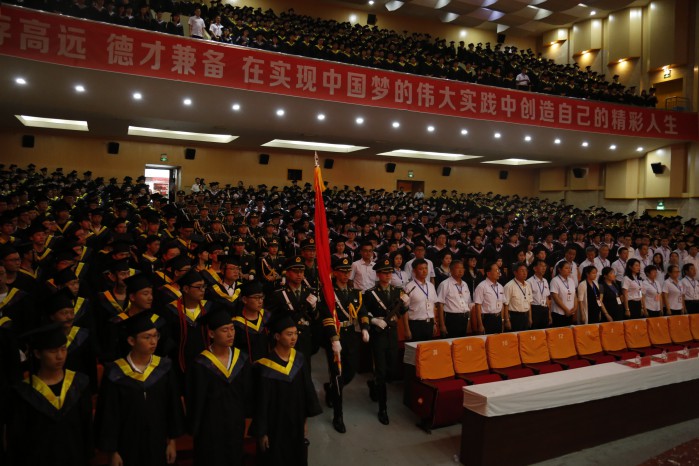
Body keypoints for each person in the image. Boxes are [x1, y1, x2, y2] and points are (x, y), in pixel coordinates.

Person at [95, 311, 185, 466]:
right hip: (127, 447)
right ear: (131, 340)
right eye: (147, 337)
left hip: (158, 443)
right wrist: (113, 452)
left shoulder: (164, 368)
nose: (153, 342)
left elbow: (172, 407)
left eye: (155, 336)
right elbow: (109, 415)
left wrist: (172, 442)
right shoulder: (115, 373)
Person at [6, 324, 92, 466]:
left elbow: (86, 429)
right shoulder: (23, 393)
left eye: (63, 349)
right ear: (38, 354)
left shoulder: (79, 384)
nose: (60, 356)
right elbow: (16, 440)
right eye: (53, 351)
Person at [187, 306, 252, 466]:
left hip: (235, 424)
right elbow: (195, 400)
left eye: (232, 329)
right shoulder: (201, 364)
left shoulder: (241, 359)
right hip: (209, 427)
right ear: (211, 334)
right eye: (224, 330)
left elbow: (247, 393)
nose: (230, 334)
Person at [253, 315, 322, 466]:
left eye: (296, 333)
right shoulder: (265, 367)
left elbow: (307, 391)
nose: (294, 338)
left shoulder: (299, 359)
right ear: (277, 336)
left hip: (296, 422)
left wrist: (304, 421)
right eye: (289, 334)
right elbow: (261, 403)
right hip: (275, 425)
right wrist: (262, 432)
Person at [319, 256, 369, 433]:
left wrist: (365, 328)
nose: (346, 274)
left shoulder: (355, 293)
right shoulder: (329, 293)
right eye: (342, 271)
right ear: (335, 273)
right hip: (335, 336)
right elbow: (326, 316)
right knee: (338, 375)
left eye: (348, 271)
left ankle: (331, 388)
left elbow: (362, 312)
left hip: (351, 336)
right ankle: (338, 416)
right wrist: (334, 338)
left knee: (351, 371)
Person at [363, 257, 407, 425]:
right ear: (378, 274)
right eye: (384, 273)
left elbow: (400, 312)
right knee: (381, 371)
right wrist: (374, 321)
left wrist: (404, 307)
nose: (388, 275)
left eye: (390, 272)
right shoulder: (370, 293)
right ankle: (383, 408)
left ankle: (374, 383)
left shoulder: (397, 291)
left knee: (392, 368)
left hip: (392, 333)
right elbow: (363, 313)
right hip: (378, 334)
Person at [265, 256, 318, 367]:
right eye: (295, 272)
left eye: (301, 271)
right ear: (287, 273)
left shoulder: (311, 292)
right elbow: (271, 319)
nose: (299, 275)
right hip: (286, 340)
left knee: (305, 368)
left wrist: (313, 309)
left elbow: (317, 318)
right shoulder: (279, 294)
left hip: (305, 338)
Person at [232, 280, 270, 362]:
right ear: (244, 300)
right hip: (246, 366)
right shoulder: (236, 324)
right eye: (256, 297)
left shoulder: (267, 317)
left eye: (261, 297)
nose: (260, 301)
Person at [436, 259, 473, 338]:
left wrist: (469, 319)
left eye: (462, 268)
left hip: (464, 318)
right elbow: (440, 305)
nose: (460, 270)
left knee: (462, 342)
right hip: (452, 318)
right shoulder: (445, 284)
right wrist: (442, 325)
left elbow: (468, 303)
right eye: (457, 268)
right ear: (451, 270)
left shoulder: (465, 284)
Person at [403, 259, 437, 341]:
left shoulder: (431, 286)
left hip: (429, 323)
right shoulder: (408, 287)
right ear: (414, 271)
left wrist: (434, 323)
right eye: (421, 269)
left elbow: (433, 305)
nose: (424, 271)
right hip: (416, 324)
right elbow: (404, 310)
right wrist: (407, 329)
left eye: (426, 268)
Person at [473, 261, 506, 334]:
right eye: (496, 270)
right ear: (488, 273)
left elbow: (502, 304)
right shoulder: (481, 286)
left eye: (498, 270)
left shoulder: (500, 286)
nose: (498, 272)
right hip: (487, 318)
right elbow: (477, 306)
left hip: (498, 318)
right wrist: (480, 324)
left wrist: (502, 320)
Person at [503, 262, 532, 331]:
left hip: (525, 316)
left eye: (526, 270)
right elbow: (505, 305)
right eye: (522, 271)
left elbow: (529, 302)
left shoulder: (528, 285)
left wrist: (530, 317)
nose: (525, 273)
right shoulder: (509, 286)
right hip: (514, 317)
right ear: (515, 273)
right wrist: (507, 320)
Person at [550, 261, 578, 327]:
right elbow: (555, 297)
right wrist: (566, 310)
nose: (569, 270)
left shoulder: (571, 280)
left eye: (569, 268)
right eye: (566, 268)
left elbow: (574, 295)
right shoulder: (555, 280)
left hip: (571, 312)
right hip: (559, 313)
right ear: (559, 269)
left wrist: (575, 308)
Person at [527, 259, 552, 329]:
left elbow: (547, 298)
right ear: (535, 268)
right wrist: (529, 317)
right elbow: (528, 301)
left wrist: (549, 314)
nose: (544, 268)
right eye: (541, 266)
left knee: (544, 331)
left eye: (545, 266)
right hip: (535, 309)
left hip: (545, 309)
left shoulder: (545, 281)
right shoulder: (529, 282)